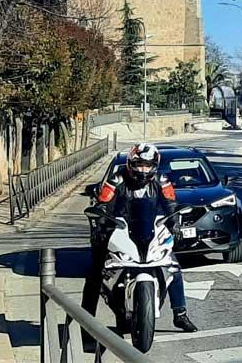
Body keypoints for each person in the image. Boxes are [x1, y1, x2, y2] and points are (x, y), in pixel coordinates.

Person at [81, 143, 198, 343]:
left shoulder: (162, 182)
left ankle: (180, 314)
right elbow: (102, 205)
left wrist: (175, 225)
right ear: (131, 164)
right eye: (139, 164)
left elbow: (171, 206)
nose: (143, 169)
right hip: (116, 231)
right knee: (94, 274)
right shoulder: (115, 180)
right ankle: (85, 323)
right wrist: (100, 223)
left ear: (155, 166)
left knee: (173, 267)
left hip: (148, 232)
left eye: (148, 165)